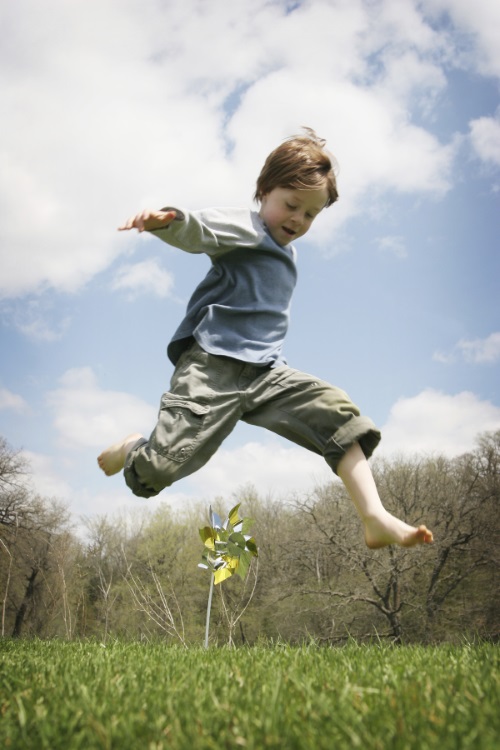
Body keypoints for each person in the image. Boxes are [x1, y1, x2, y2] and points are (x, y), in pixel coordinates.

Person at [98, 128, 433, 549]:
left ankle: (375, 516)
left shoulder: (287, 252)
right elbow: (200, 229)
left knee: (339, 418)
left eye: (310, 215)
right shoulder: (247, 227)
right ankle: (134, 450)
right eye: (291, 205)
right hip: (212, 369)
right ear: (264, 191)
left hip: (267, 373)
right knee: (158, 471)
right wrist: (167, 220)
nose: (298, 220)